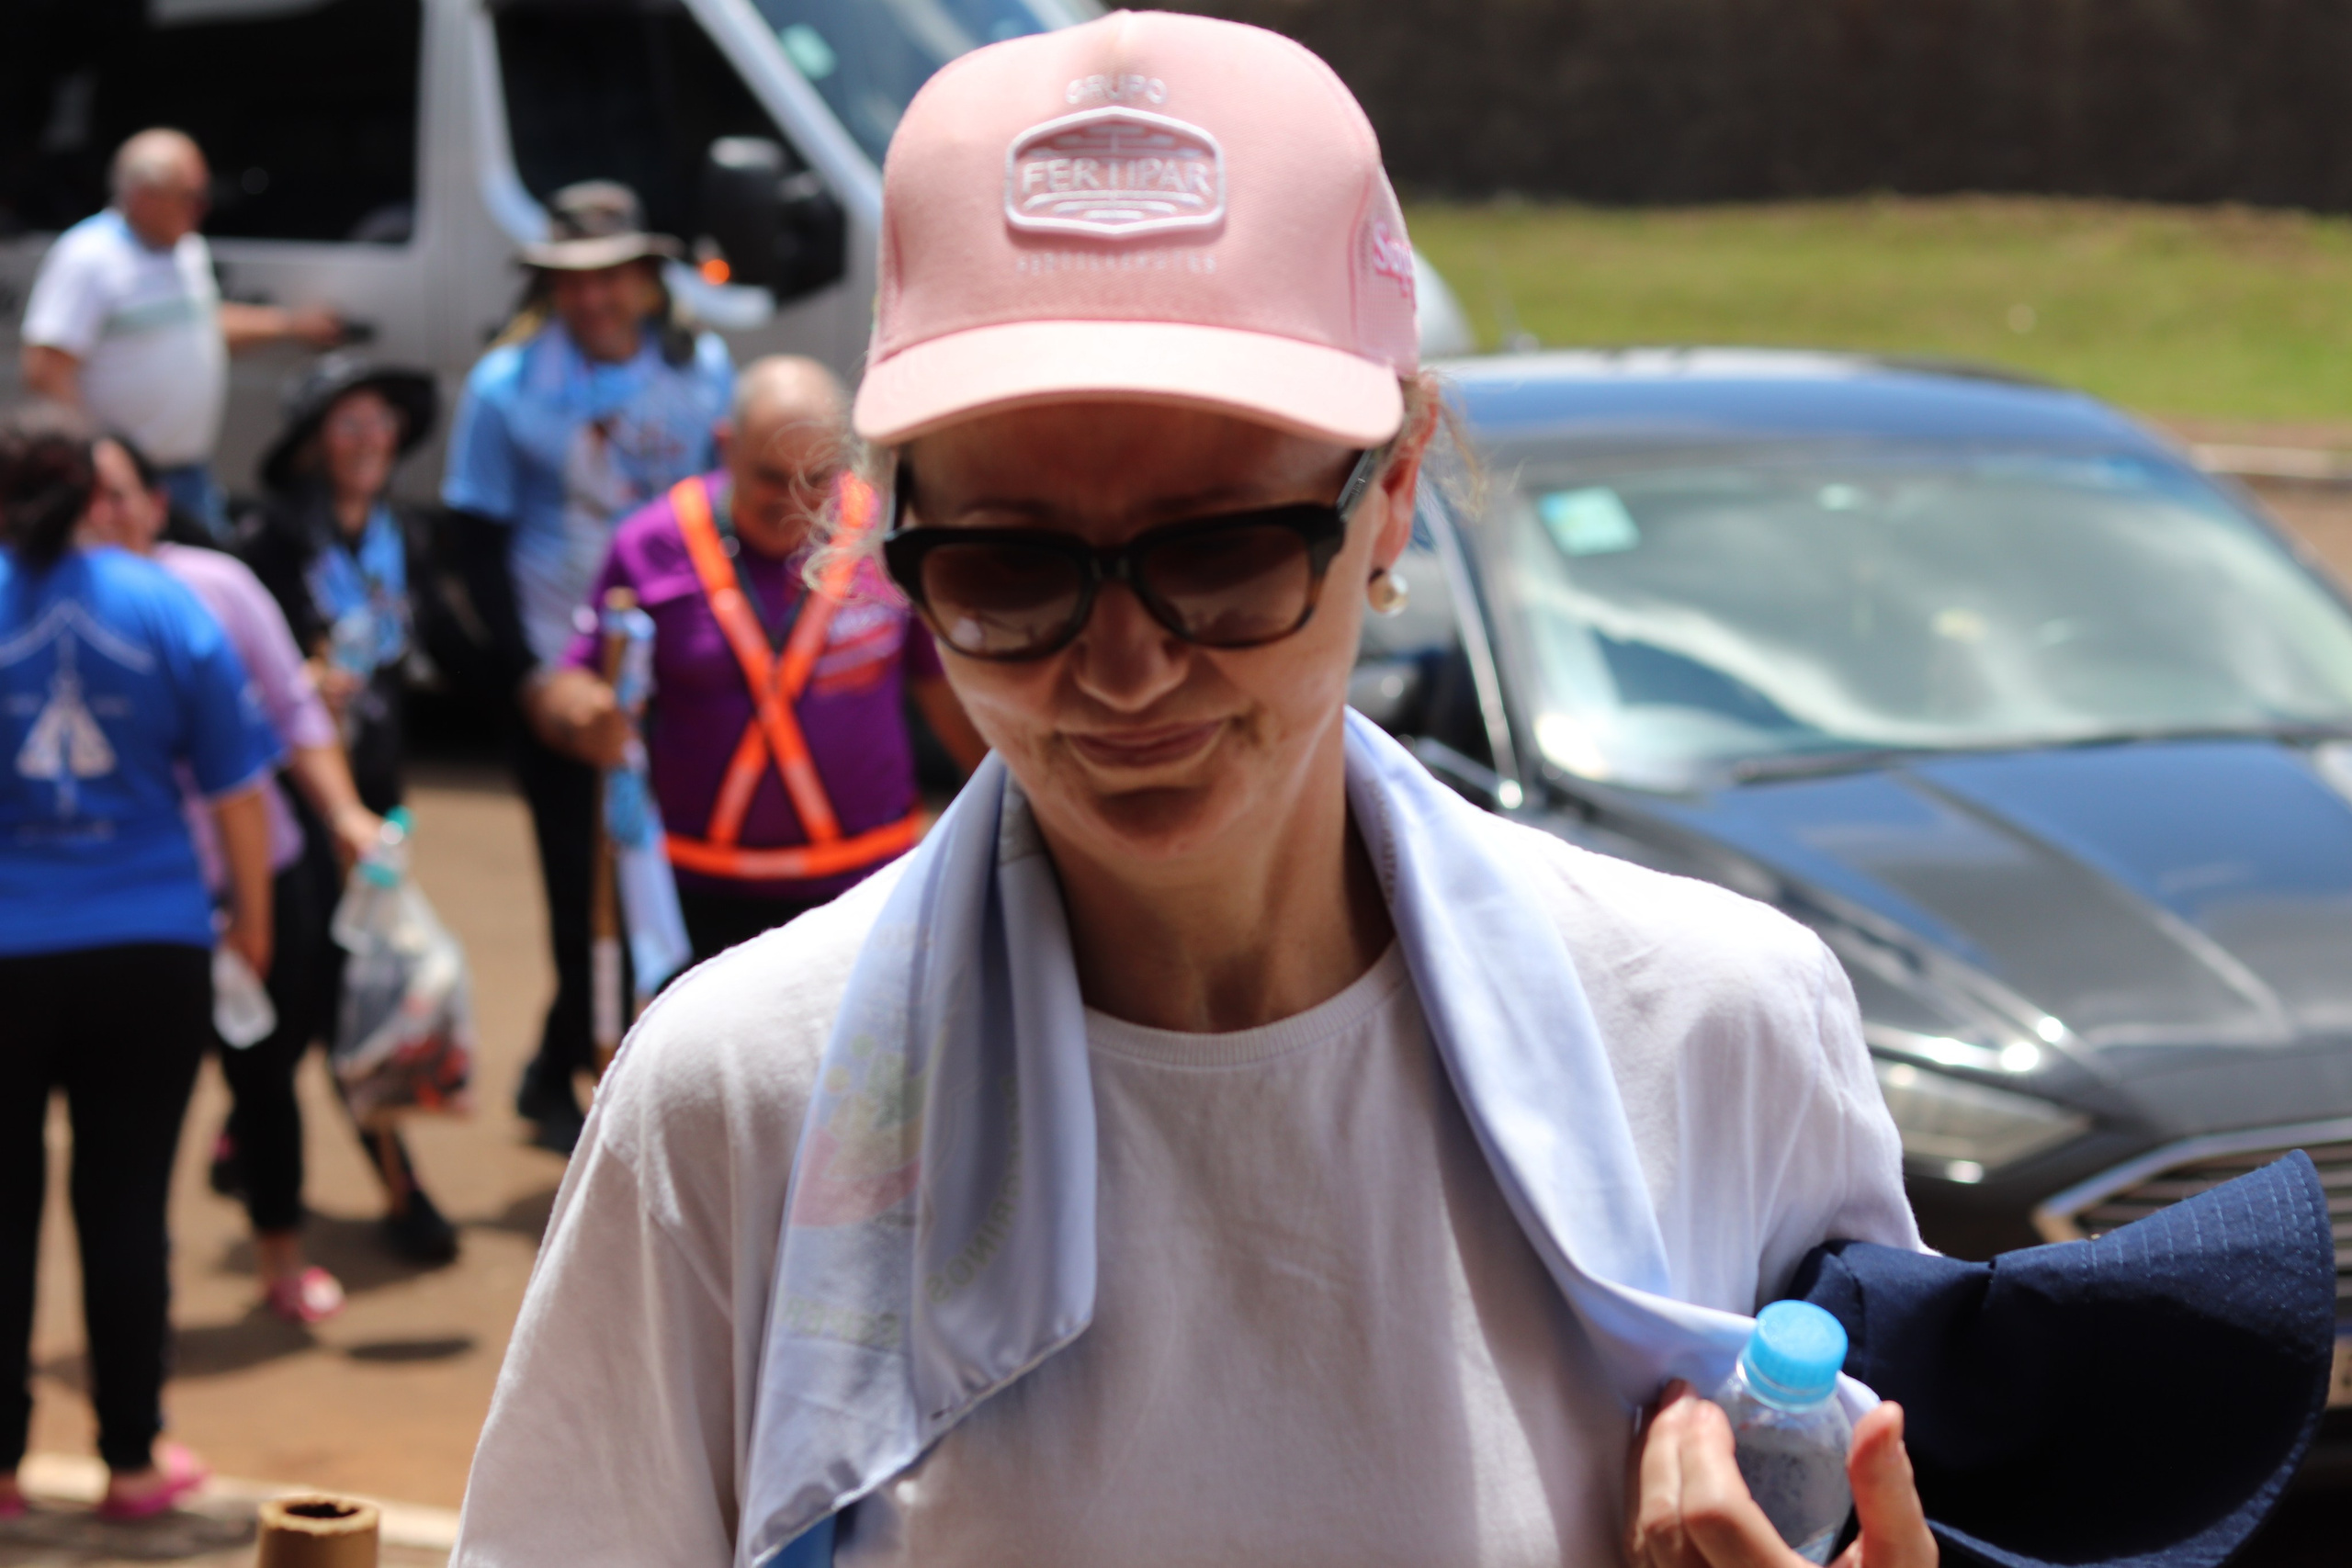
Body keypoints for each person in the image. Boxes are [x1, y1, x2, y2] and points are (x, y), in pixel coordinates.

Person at [452, 17, 1934, 1568]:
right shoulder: (735, 1107)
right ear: (894, 537)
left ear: (1395, 491)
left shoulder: (1720, 1037)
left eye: (1223, 550)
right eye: (1010, 569)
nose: (1123, 667)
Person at [0, 401, 277, 1521]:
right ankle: (130, 1461)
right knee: (126, 1205)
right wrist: (252, 922)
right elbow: (238, 791)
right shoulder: (162, 604)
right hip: (152, 948)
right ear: (93, 493)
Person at [441, 181, 733, 1153]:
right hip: (563, 679)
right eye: (571, 281)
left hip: (679, 679)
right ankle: (584, 1078)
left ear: (647, 281)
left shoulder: (702, 370)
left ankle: (562, 1059)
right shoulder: (506, 387)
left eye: (611, 278)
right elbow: (472, 541)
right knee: (581, 886)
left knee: (664, 882)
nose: (593, 298)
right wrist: (526, 678)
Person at [527, 356, 985, 963]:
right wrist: (578, 711)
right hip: (699, 898)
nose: (795, 503)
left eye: (817, 477)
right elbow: (569, 679)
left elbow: (945, 690)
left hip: (866, 889)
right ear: (726, 447)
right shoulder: (651, 544)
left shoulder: (888, 536)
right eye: (771, 477)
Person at [77, 432, 385, 1322]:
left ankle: (279, 1250)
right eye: (82, 495)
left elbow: (289, 711)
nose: (102, 513)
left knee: (265, 1076)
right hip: (135, 905)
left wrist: (344, 814)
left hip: (258, 878)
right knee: (131, 1111)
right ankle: (138, 1297)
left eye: (119, 493)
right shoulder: (38, 604)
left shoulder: (214, 588)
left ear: (156, 504)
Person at [235, 355, 462, 1264]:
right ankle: (400, 1190)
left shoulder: (402, 535)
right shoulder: (268, 541)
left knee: (347, 986)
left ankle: (247, 1139)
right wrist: (298, 681)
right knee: (332, 996)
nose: (372, 439)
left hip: (377, 798)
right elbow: (238, 678)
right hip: (293, 814)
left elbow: (430, 647)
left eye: (382, 422)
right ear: (311, 442)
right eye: (349, 422)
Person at [18, 130, 345, 538]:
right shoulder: (87, 257)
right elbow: (46, 370)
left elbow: (201, 323)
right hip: (122, 485)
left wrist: (289, 325)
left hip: (190, 473)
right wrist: (100, 460)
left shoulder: (187, 248)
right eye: (190, 196)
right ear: (142, 196)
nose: (203, 207)